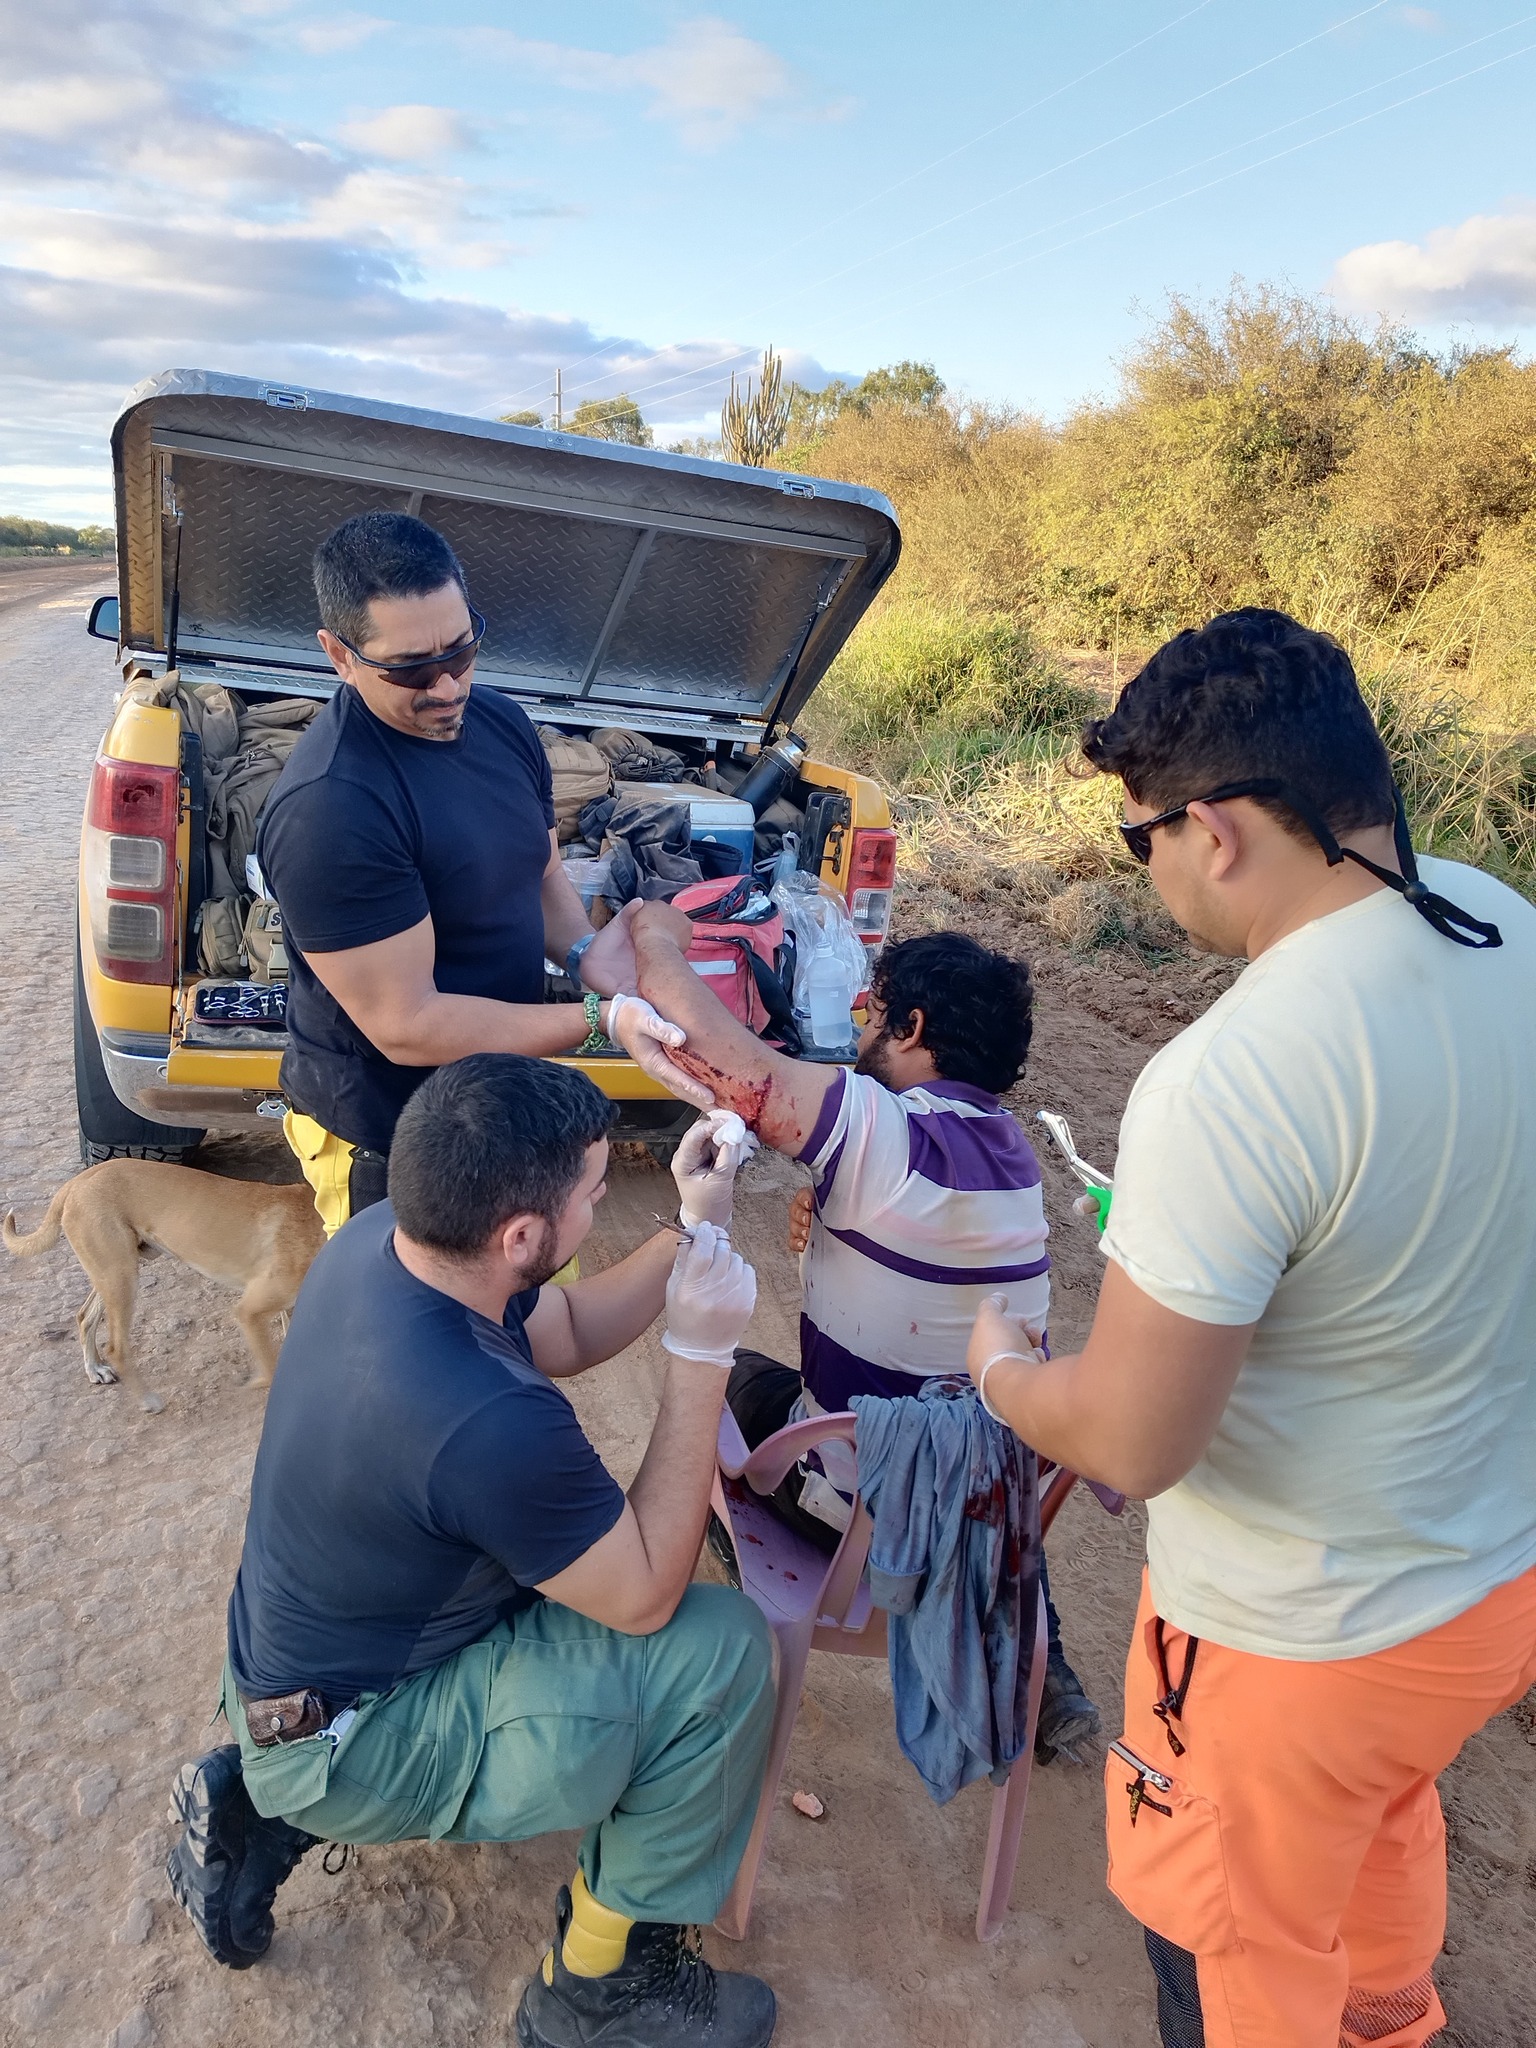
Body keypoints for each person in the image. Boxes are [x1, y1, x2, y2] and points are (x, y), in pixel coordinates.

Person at [964, 608, 1536, 2048]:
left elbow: (1131, 1440)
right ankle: (1393, 2016)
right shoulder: (1503, 921)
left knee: (1231, 1940)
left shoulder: (1233, 1079)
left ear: (1212, 831)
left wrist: (1008, 1372)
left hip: (1298, 1641)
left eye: (1137, 840)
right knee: (1386, 1808)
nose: (1146, 868)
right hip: (1485, 1588)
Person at [165, 1055, 778, 2048]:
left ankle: (265, 1806)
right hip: (353, 1736)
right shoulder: (483, 1420)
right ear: (522, 1236)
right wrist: (702, 1353)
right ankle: (603, 1988)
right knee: (720, 1649)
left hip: (296, 1681)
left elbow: (563, 1323)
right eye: (593, 1192)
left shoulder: (385, 1240)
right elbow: (645, 1595)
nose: (600, 1202)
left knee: (559, 1571)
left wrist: (690, 1226)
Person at [630, 915, 1100, 1762]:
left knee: (724, 1377)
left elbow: (716, 1053)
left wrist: (655, 937)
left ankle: (685, 1592)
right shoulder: (1014, 1161)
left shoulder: (884, 1128)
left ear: (912, 1028)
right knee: (966, 1433)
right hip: (982, 1516)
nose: (860, 1034)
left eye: (875, 1016)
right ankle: (1045, 1660)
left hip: (858, 1520)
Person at [256, 511, 710, 1234]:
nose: (446, 687)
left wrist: (583, 952)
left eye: (461, 651)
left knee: (533, 1288)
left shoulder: (501, 724)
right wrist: (600, 1020)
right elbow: (407, 1026)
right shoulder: (332, 808)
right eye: (411, 667)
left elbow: (539, 867)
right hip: (394, 1139)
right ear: (339, 655)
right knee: (430, 1310)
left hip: (502, 1099)